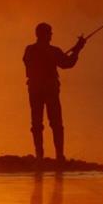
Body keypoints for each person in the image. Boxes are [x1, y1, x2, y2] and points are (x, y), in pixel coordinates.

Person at [23, 22, 86, 164]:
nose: (51, 35)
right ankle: (58, 156)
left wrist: (76, 49)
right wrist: (77, 49)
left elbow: (28, 63)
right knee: (55, 123)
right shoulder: (52, 51)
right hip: (48, 89)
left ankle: (40, 156)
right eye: (50, 33)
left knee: (37, 123)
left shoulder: (30, 50)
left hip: (35, 90)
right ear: (44, 35)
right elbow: (67, 63)